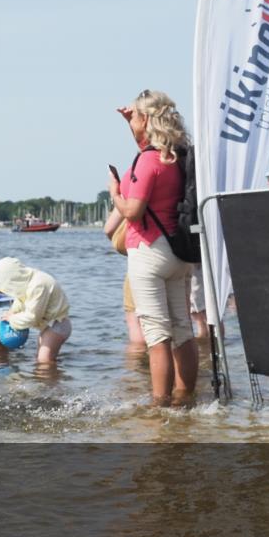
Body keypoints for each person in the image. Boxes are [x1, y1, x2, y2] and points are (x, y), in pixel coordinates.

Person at [107, 89, 197, 406]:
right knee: (183, 329)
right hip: (178, 252)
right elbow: (146, 146)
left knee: (157, 335)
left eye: (134, 117)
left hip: (149, 251)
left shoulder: (147, 161)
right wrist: (131, 122)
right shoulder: (176, 156)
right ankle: (185, 400)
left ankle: (160, 407)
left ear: (145, 120)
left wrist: (115, 192)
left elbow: (132, 211)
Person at [0, 257, 71, 364]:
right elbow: (21, 300)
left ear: (12, 279)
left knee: (44, 360)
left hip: (58, 324)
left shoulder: (38, 285)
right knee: (42, 358)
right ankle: (53, 373)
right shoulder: (28, 282)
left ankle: (53, 373)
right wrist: (12, 311)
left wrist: (12, 319)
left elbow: (32, 317)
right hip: (49, 325)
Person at [103, 209, 146, 350]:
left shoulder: (130, 196)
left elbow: (109, 228)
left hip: (141, 256)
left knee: (135, 321)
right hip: (179, 258)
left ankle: (138, 361)